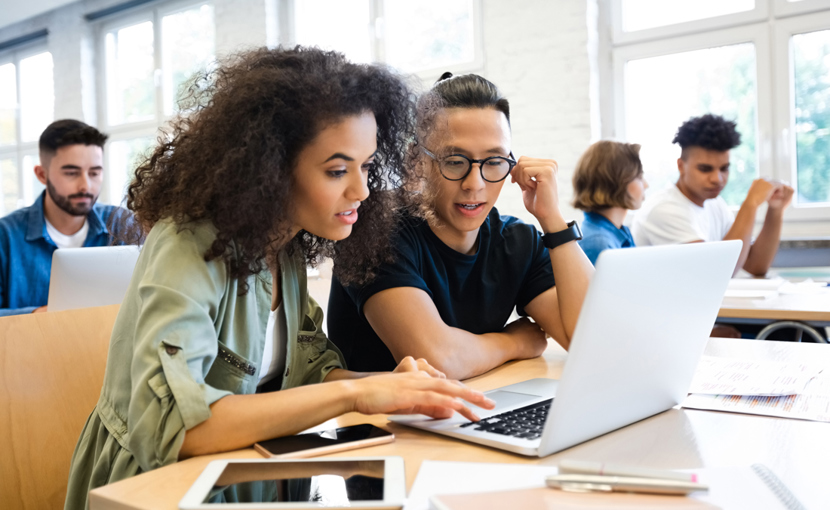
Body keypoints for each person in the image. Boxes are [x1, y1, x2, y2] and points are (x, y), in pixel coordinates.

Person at [64, 48, 494, 509]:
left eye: (366, 166)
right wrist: (359, 393)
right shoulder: (188, 242)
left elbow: (308, 369)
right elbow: (174, 427)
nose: (362, 190)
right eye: (336, 170)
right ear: (269, 168)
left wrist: (391, 387)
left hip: (253, 476)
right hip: (155, 489)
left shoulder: (285, 242)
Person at [326, 72, 595, 380]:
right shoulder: (374, 232)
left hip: (475, 411)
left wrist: (552, 220)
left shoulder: (518, 241)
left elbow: (592, 341)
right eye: (454, 161)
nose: (474, 184)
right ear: (417, 161)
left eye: (493, 161)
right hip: (380, 425)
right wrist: (515, 341)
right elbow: (438, 361)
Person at [632, 114, 793, 276]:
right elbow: (718, 272)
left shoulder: (715, 203)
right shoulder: (664, 210)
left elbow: (755, 265)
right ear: (681, 166)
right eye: (705, 169)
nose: (717, 179)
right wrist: (750, 203)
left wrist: (775, 211)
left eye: (724, 168)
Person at [0, 119, 128, 316]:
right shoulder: (5, 236)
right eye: (71, 173)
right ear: (42, 174)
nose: (86, 185)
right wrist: (37, 316)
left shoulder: (122, 225)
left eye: (94, 173)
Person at [571, 140, 647, 265]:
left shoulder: (618, 232)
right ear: (617, 182)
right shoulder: (598, 243)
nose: (646, 185)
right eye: (639, 177)